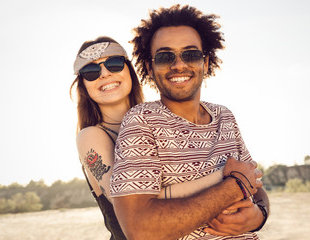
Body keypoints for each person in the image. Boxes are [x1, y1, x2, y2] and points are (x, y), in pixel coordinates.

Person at [110, 5, 269, 240]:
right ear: (149, 68)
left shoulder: (225, 116)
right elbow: (139, 229)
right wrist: (234, 186)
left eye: (191, 54)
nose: (179, 65)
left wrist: (260, 217)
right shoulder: (141, 121)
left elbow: (256, 185)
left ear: (205, 63)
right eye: (165, 57)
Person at [70, 36, 251, 240]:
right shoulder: (91, 136)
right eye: (91, 72)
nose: (104, 74)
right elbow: (128, 202)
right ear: (83, 86)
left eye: (114, 64)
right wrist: (226, 177)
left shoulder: (163, 120)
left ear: (129, 70)